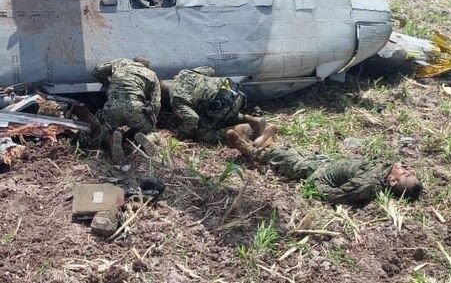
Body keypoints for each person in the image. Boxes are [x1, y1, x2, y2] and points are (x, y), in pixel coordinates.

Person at [224, 123, 422, 204]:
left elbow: (334, 194)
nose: (406, 169)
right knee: (289, 152)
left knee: (285, 159)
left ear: (393, 182)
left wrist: (314, 183)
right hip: (324, 161)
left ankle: (247, 147)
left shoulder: (369, 184)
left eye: (405, 174)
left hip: (315, 170)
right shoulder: (383, 171)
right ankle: (265, 141)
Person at [92, 57, 161, 163]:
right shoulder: (151, 74)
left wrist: (107, 84)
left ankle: (111, 141)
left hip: (113, 107)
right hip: (135, 108)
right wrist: (151, 120)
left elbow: (97, 70)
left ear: (133, 61)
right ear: (146, 66)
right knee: (152, 132)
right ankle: (147, 138)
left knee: (104, 131)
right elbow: (156, 103)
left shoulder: (121, 62)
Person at [167, 66, 256, 143]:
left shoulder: (176, 99)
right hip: (232, 89)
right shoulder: (185, 73)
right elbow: (210, 70)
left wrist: (180, 132)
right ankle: (249, 119)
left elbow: (193, 118)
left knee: (202, 134)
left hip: (221, 102)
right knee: (220, 114)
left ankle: (240, 130)